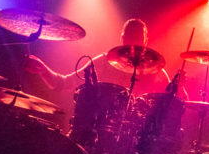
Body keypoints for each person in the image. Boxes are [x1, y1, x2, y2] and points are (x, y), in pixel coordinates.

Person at [25, 18, 172, 96]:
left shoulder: (156, 70)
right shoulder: (105, 62)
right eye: (130, 36)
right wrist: (43, 70)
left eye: (137, 37)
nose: (133, 42)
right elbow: (63, 83)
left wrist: (180, 88)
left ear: (145, 42)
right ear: (122, 38)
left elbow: (173, 101)